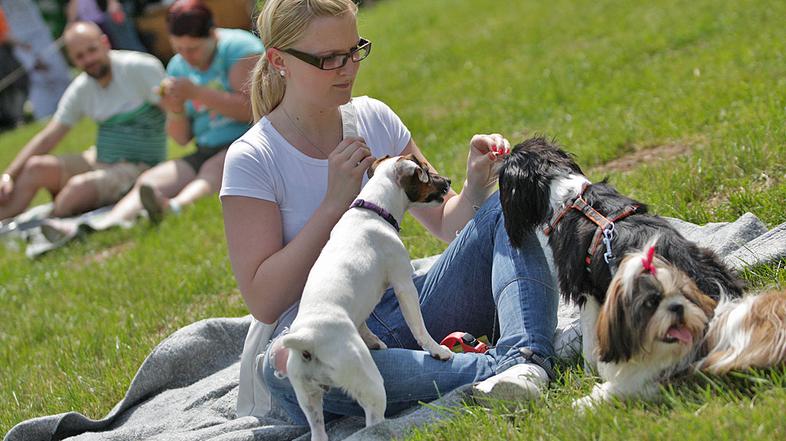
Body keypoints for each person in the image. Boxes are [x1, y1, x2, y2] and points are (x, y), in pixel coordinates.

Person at [220, 0, 558, 426]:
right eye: (328, 59)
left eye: (354, 50)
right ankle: (517, 365)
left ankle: (523, 360)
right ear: (278, 61)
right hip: (322, 333)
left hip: (405, 306)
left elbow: (445, 222)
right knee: (283, 366)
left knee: (507, 206)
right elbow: (265, 302)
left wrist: (474, 185)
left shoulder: (373, 117)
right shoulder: (253, 157)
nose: (347, 69)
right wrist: (334, 204)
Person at [43, 0, 261, 236]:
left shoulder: (239, 48)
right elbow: (181, 139)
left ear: (212, 32)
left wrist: (198, 93)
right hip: (206, 147)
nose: (187, 58)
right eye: (179, 49)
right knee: (150, 181)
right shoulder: (178, 66)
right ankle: (102, 227)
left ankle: (174, 207)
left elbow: (254, 109)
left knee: (214, 168)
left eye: (193, 49)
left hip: (248, 142)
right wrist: (175, 109)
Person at [0, 21, 166, 223]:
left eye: (92, 50)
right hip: (99, 159)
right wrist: (9, 176)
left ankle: (52, 221)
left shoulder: (139, 68)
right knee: (36, 168)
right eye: (80, 56)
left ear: (105, 43)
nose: (88, 59)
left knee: (76, 190)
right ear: (72, 59)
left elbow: (176, 111)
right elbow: (48, 137)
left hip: (140, 166)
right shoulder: (82, 88)